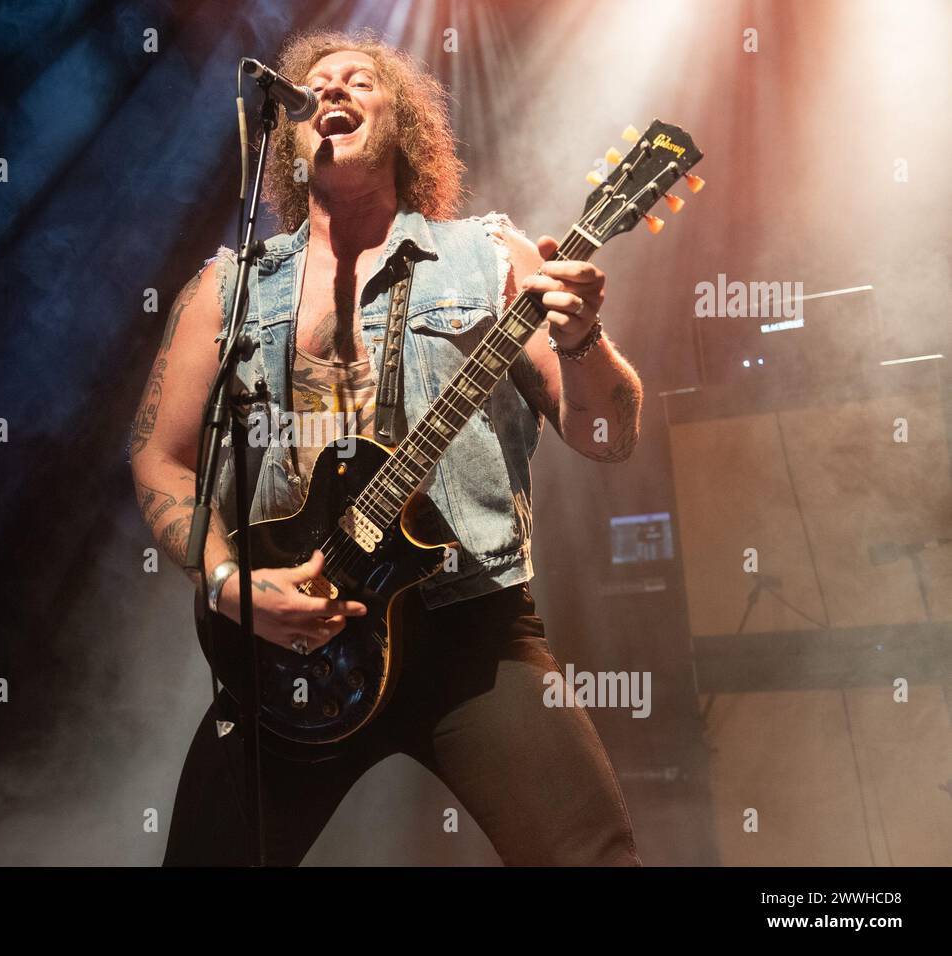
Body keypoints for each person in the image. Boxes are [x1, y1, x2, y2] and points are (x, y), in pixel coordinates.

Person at [129, 29, 643, 866]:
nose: (331, 90)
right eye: (314, 86)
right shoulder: (228, 288)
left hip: (469, 628)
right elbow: (161, 458)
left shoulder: (490, 258)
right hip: (287, 645)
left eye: (359, 81)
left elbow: (607, 436)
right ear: (288, 134)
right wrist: (229, 585)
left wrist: (582, 338)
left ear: (402, 124)